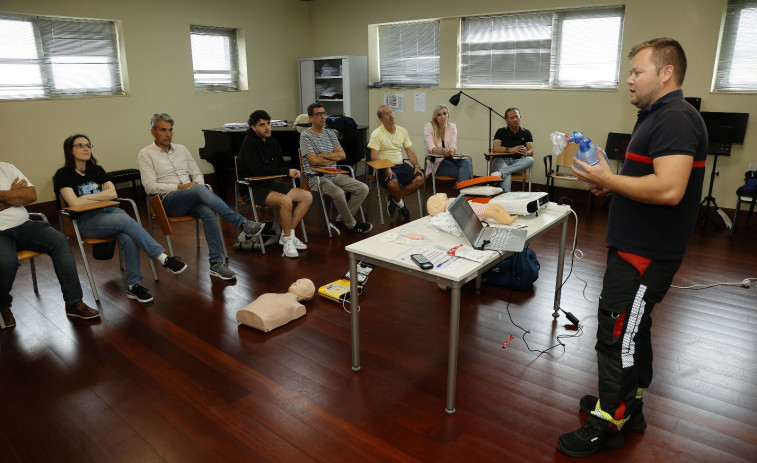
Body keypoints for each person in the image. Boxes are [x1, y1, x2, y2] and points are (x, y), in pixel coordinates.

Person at [556, 37, 708, 458]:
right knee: (632, 330)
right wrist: (608, 183)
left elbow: (670, 189)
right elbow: (647, 181)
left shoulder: (676, 118)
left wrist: (607, 181)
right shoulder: (657, 115)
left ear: (666, 73)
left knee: (616, 332)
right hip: (634, 246)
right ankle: (630, 405)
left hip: (646, 253)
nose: (629, 79)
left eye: (637, 71)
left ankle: (609, 420)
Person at [55, 134, 188, 303]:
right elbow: (73, 202)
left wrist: (87, 198)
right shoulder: (63, 174)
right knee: (126, 222)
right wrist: (100, 196)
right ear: (70, 150)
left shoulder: (97, 170)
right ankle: (163, 258)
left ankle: (133, 286)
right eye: (80, 145)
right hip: (86, 220)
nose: (85, 148)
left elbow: (113, 194)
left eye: (88, 145)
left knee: (127, 235)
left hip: (110, 212)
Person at [138, 113, 264, 280]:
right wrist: (180, 187)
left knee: (208, 211)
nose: (168, 134)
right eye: (163, 130)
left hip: (192, 196)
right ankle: (242, 223)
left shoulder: (181, 149)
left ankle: (216, 264)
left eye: (170, 130)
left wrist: (196, 184)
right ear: (153, 132)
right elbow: (149, 186)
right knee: (199, 190)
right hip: (168, 201)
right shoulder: (145, 154)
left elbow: (197, 173)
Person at [1, 162, 99, 329]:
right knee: (6, 262)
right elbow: (21, 197)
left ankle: (74, 303)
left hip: (24, 225)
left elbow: (31, 195)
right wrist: (12, 196)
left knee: (59, 241)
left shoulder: (6, 168)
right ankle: (2, 306)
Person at [237, 110, 313, 259]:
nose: (267, 128)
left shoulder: (272, 141)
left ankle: (287, 236)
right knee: (286, 201)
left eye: (268, 123)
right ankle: (288, 240)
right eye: (262, 125)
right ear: (254, 128)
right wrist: (286, 172)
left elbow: (278, 165)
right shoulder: (248, 143)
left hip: (270, 183)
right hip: (253, 187)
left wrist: (287, 170)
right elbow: (257, 171)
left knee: (307, 196)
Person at [299, 102, 372, 235]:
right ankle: (352, 224)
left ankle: (339, 220)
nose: (323, 117)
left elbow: (342, 155)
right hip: (316, 177)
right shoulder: (306, 136)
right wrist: (333, 156)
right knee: (338, 192)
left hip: (335, 173)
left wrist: (322, 155)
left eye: (324, 113)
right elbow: (313, 160)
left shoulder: (331, 134)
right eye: (318, 114)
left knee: (363, 188)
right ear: (310, 118)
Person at [368, 105, 424, 221]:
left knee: (420, 179)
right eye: (386, 114)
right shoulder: (377, 133)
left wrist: (417, 166)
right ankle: (402, 205)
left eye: (391, 112)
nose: (391, 115)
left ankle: (394, 198)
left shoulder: (402, 131)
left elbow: (410, 151)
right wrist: (385, 167)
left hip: (400, 165)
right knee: (393, 184)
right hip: (384, 166)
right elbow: (373, 156)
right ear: (381, 120)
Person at [236, 278, 315, 332]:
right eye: (297, 280)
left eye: (304, 284)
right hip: (246, 312)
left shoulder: (297, 307)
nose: (297, 282)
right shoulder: (269, 295)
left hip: (262, 321)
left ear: (307, 296)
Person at [423, 104, 472, 183]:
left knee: (467, 162)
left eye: (445, 113)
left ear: (448, 115)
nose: (443, 116)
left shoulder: (452, 127)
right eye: (439, 115)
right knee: (465, 172)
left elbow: (453, 145)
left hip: (450, 159)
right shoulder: (429, 127)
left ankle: (459, 188)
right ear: (435, 117)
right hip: (436, 162)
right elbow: (430, 148)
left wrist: (451, 151)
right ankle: (460, 190)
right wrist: (442, 151)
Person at [490, 107, 534, 192]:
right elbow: (495, 148)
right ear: (506, 121)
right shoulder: (501, 131)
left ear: (520, 117)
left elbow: (531, 151)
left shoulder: (526, 133)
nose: (515, 119)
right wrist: (510, 150)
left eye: (516, 117)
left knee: (530, 160)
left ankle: (502, 172)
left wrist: (526, 153)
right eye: (511, 118)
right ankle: (505, 199)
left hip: (516, 163)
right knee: (507, 175)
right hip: (500, 160)